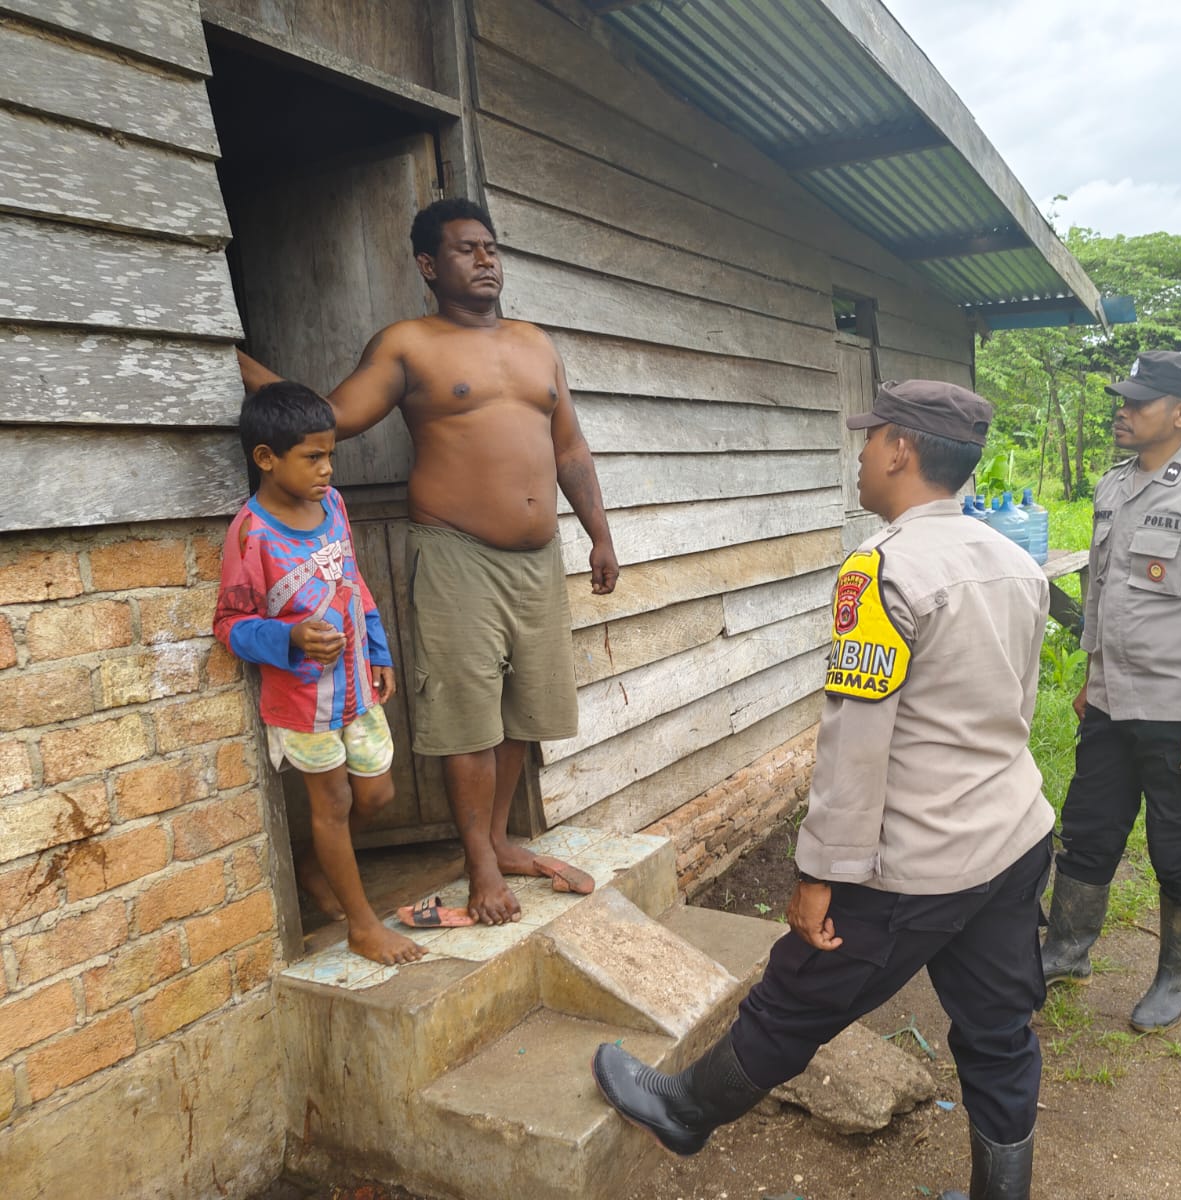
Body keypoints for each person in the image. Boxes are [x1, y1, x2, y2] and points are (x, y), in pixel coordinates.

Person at [593, 380, 1054, 1200]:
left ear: (901, 450)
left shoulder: (881, 572)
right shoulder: (1014, 561)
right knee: (998, 1031)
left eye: (869, 438)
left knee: (797, 996)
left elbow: (854, 745)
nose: (862, 454)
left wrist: (817, 877)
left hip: (915, 860)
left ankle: (685, 1112)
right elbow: (1018, 705)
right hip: (1011, 839)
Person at [237, 198, 617, 925]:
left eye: (491, 248)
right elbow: (331, 418)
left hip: (538, 560)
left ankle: (501, 840)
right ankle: (480, 866)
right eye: (466, 249)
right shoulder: (409, 343)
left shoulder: (538, 344)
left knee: (519, 712)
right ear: (427, 264)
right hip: (456, 552)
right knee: (467, 716)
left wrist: (599, 533)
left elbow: (569, 448)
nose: (484, 260)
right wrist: (226, 349)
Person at [1040, 350, 1181, 1033]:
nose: (1123, 411)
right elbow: (1102, 594)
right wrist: (1089, 677)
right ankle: (1066, 951)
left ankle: (1176, 975)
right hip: (1111, 703)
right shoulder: (1113, 487)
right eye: (1124, 401)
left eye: (1139, 403)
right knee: (1088, 830)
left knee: (1178, 846)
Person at [214, 382, 421, 965]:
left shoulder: (333, 507)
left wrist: (378, 649)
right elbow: (229, 622)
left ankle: (315, 863)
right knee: (329, 805)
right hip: (302, 701)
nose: (327, 469)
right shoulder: (251, 535)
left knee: (377, 794)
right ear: (266, 458)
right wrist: (289, 636)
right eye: (313, 457)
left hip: (356, 686)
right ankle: (362, 926)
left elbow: (353, 583)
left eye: (330, 455)